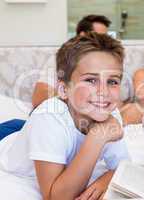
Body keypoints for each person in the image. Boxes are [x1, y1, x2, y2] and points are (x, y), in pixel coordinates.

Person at [0, 33, 129, 200]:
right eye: (91, 80)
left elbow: (124, 167)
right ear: (63, 90)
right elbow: (56, 197)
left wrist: (108, 179)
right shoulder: (47, 119)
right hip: (5, 135)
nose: (104, 92)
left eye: (112, 81)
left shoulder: (110, 113)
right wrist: (96, 138)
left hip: (29, 130)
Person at [32, 14, 111, 109]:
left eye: (106, 37)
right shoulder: (63, 58)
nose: (104, 42)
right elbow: (39, 97)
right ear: (83, 35)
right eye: (99, 37)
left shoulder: (108, 61)